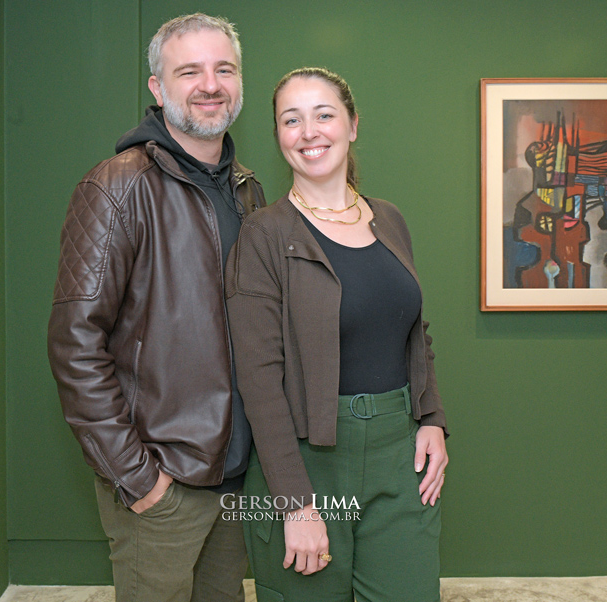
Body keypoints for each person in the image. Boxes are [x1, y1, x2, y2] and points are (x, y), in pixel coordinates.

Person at [47, 13, 265, 602]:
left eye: (224, 69)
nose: (210, 85)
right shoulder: (117, 186)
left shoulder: (247, 190)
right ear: (157, 86)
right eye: (189, 71)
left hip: (236, 475)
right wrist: (138, 477)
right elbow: (74, 345)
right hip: (162, 484)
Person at [225, 67, 448, 602]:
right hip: (308, 460)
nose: (309, 132)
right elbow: (258, 379)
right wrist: (295, 504)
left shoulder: (389, 220)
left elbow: (413, 331)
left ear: (352, 124)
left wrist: (432, 418)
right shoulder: (263, 234)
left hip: (400, 454)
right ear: (278, 135)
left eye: (324, 115)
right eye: (291, 120)